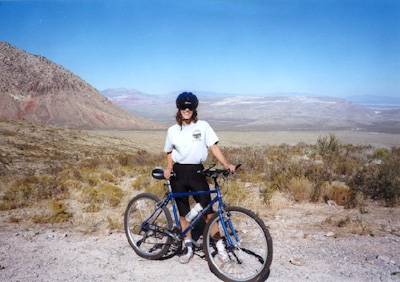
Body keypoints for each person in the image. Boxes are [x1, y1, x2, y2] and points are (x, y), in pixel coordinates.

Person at [163, 92, 236, 264]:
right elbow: (168, 151)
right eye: (183, 107)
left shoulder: (203, 126)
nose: (186, 110)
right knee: (182, 213)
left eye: (189, 107)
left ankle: (220, 248)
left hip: (197, 172)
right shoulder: (172, 130)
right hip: (178, 173)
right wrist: (169, 167)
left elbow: (214, 147)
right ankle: (188, 246)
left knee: (208, 213)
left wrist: (226, 164)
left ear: (194, 109)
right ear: (178, 109)